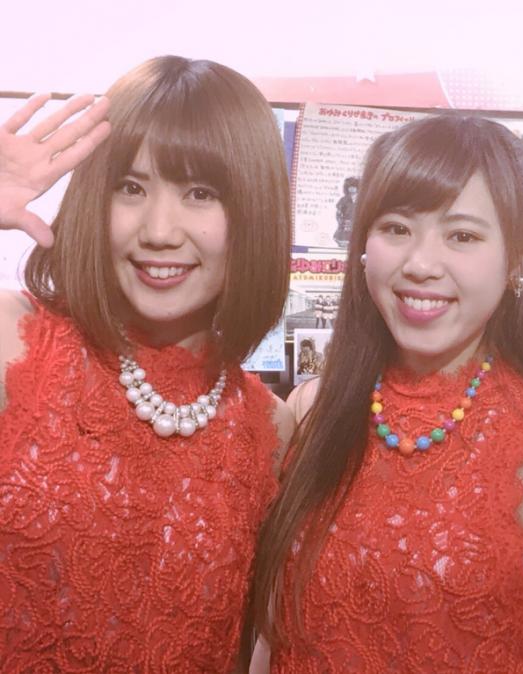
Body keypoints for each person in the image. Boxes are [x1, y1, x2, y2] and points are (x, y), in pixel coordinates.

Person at [244, 114, 523, 673]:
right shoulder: (310, 411)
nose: (420, 264)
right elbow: (272, 636)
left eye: (462, 235)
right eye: (396, 228)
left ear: (520, 256)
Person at [0, 56, 295, 671]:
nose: (159, 230)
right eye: (131, 188)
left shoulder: (269, 425)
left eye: (200, 194)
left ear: (254, 214)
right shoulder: (15, 340)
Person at [333, 175, 359, 247]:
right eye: (350, 187)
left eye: (354, 187)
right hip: (345, 221)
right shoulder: (343, 199)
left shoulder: (361, 199)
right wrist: (340, 220)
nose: (352, 189)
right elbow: (338, 212)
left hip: (357, 221)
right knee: (343, 237)